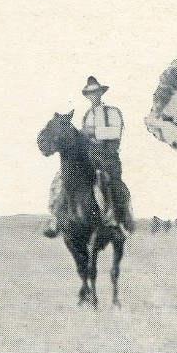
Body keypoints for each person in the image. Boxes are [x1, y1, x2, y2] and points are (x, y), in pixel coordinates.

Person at [44, 76, 129, 236]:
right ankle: (56, 218)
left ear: (101, 93)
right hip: (89, 156)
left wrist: (93, 132)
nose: (93, 96)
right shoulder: (87, 115)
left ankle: (115, 219)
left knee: (105, 181)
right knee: (60, 179)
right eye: (90, 94)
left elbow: (116, 132)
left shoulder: (112, 112)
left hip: (107, 157)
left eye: (95, 92)